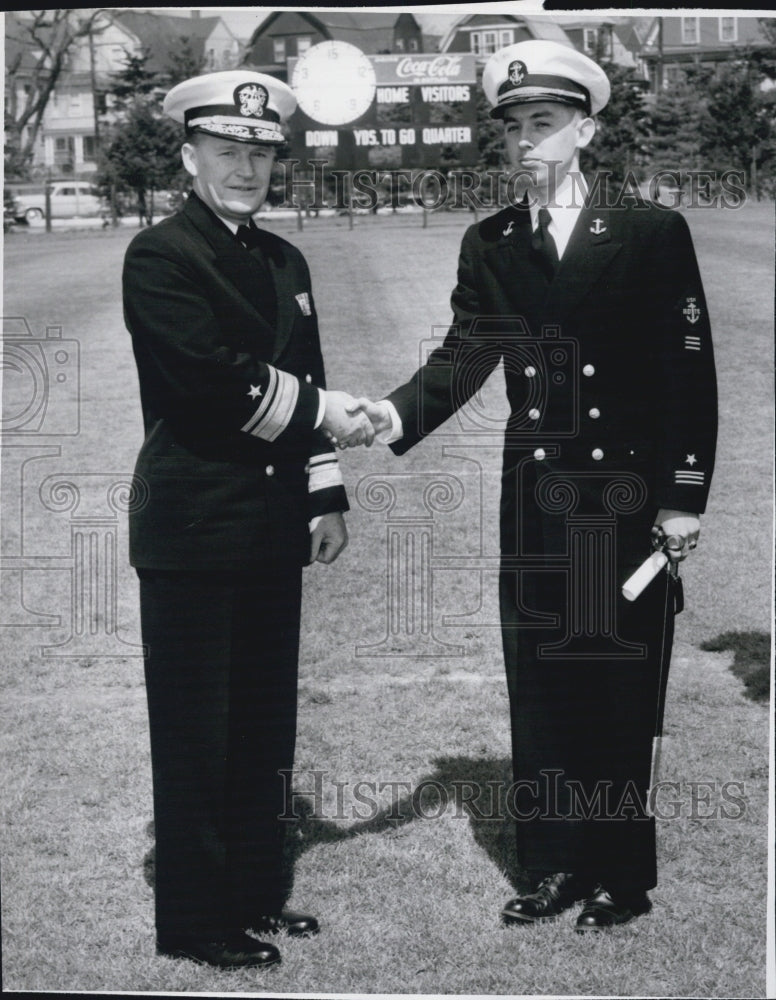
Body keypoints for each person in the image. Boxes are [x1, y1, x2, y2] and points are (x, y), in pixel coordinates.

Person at [353, 40, 717, 931]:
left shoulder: (646, 231)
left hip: (625, 500)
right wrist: (395, 416)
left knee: (619, 688)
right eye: (512, 128)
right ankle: (553, 864)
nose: (524, 143)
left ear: (585, 129)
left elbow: (687, 373)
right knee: (545, 682)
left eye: (543, 125)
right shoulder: (494, 242)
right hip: (539, 496)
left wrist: (682, 496)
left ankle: (621, 877)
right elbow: (466, 354)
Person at [122, 70, 373, 970]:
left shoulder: (282, 261)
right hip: (194, 526)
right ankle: (193, 921)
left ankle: (255, 895)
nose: (245, 168)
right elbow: (209, 383)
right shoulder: (160, 255)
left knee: (262, 723)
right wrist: (327, 410)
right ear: (191, 156)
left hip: (271, 523)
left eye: (260, 153)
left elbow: (304, 363)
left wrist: (327, 490)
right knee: (196, 733)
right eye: (227, 150)